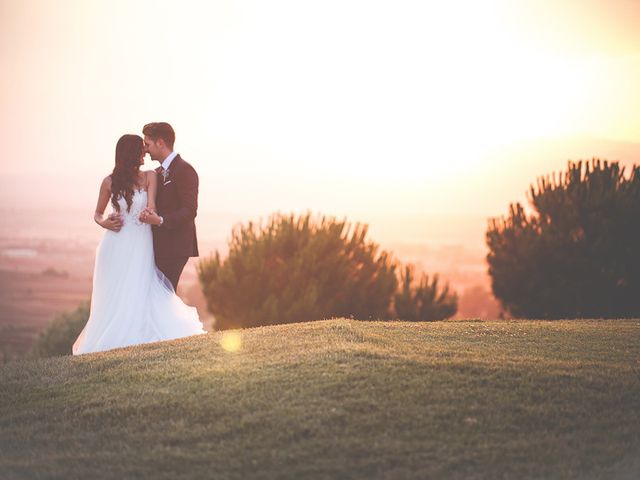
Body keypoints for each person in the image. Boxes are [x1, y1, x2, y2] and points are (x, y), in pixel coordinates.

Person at [72, 134, 206, 355]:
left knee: (140, 287)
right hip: (115, 244)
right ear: (130, 154)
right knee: (116, 292)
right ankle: (112, 336)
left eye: (146, 147)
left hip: (141, 243)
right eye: (141, 149)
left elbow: (152, 205)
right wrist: (104, 222)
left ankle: (138, 334)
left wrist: (150, 213)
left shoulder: (150, 176)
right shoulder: (108, 182)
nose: (145, 152)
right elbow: (97, 213)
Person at [138, 122, 199, 292]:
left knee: (163, 297)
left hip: (175, 247)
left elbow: (190, 210)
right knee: (155, 296)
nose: (145, 149)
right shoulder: (157, 172)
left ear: (160, 143)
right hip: (158, 246)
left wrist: (160, 220)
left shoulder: (185, 170)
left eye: (147, 144)